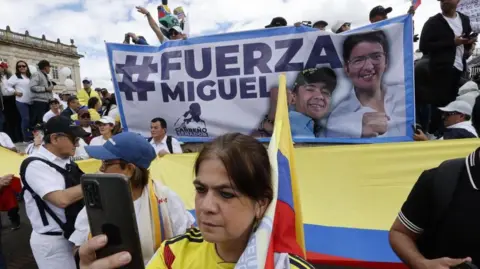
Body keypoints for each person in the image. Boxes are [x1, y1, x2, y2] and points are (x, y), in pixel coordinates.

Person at [78, 133, 314, 269]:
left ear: (261, 203)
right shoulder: (175, 254)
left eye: (227, 194)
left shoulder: (286, 266)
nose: (206, 206)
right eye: (201, 189)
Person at [69, 132, 194, 265]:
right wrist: (84, 258)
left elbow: (187, 241)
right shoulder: (98, 200)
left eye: (106, 162)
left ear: (129, 169)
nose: (101, 168)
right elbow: (78, 245)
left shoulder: (166, 198)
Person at [389, 95, 480, 268]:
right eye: (444, 115)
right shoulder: (441, 180)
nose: (444, 118)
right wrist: (421, 263)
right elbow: (400, 233)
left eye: (448, 114)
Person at [20, 116, 89, 269]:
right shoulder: (34, 165)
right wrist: (98, 182)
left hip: (74, 235)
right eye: (74, 139)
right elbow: (61, 199)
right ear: (55, 138)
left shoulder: (67, 161)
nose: (77, 144)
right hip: (53, 241)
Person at [327, 30, 406, 138]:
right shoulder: (338, 118)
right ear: (346, 68)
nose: (369, 67)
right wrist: (357, 131)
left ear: (386, 61)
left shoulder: (406, 97)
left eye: (376, 56)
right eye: (358, 60)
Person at [420, 0, 475, 135]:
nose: (444, 1)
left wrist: (469, 43)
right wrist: (451, 42)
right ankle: (436, 135)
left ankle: (452, 134)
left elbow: (464, 42)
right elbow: (424, 46)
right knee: (440, 106)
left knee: (456, 103)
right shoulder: (433, 22)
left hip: (460, 69)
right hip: (440, 71)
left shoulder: (464, 19)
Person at [7, 60, 33, 142]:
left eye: (23, 66)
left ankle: (33, 136)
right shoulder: (16, 76)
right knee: (26, 119)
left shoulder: (30, 76)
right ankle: (26, 138)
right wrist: (14, 92)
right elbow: (6, 86)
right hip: (21, 101)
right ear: (17, 68)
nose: (21, 67)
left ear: (26, 67)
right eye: (19, 66)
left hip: (31, 101)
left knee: (32, 120)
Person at [29, 60, 54, 126]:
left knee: (46, 121)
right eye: (49, 67)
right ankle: (37, 135)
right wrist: (45, 89)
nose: (50, 69)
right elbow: (32, 87)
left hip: (46, 102)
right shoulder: (37, 74)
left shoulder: (46, 76)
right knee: (39, 122)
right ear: (45, 67)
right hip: (39, 102)